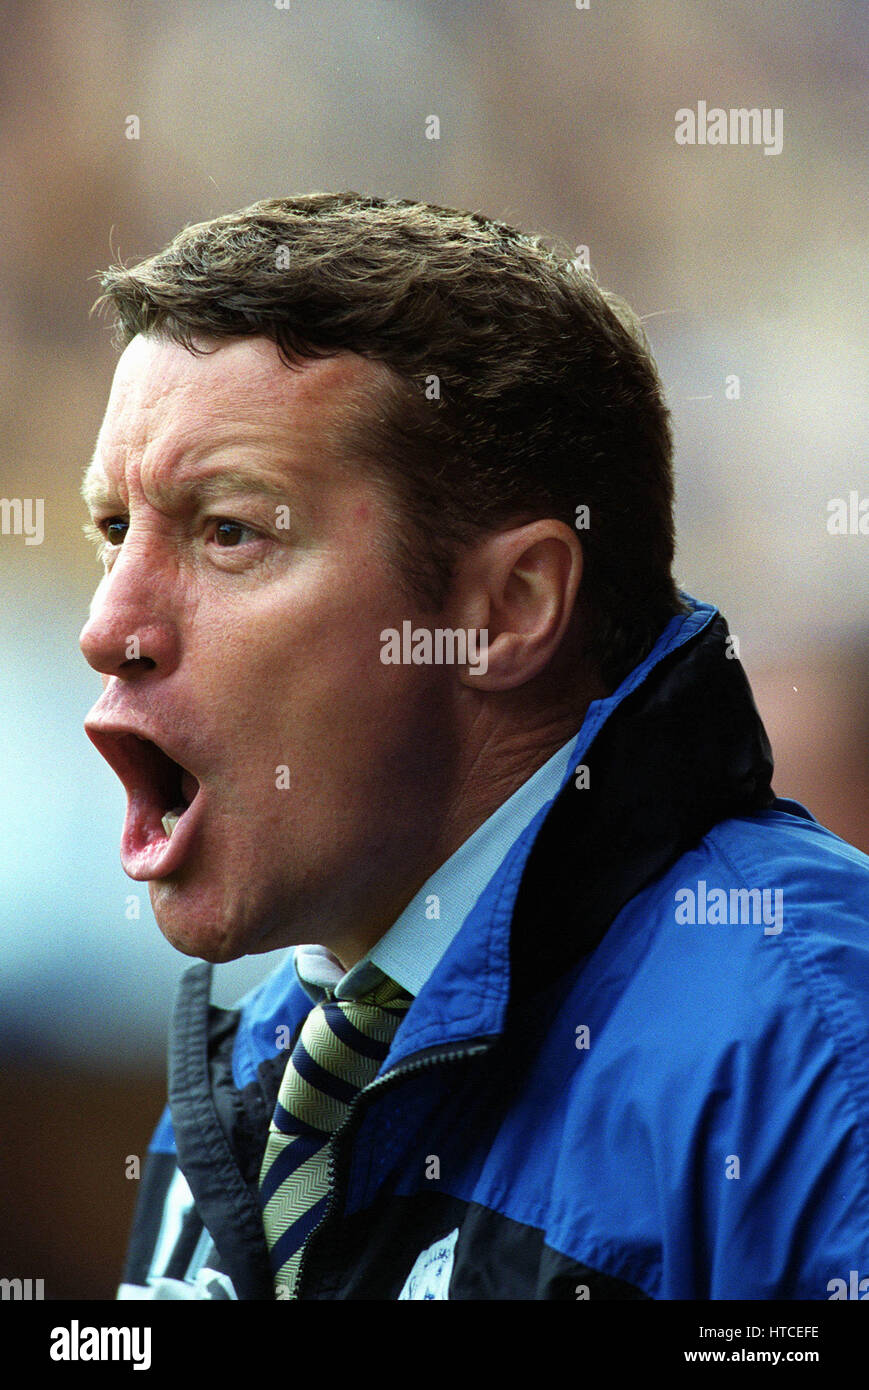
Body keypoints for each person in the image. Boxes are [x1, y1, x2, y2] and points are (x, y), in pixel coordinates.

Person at [79, 193, 869, 1301]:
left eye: (228, 530)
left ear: (504, 610)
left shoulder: (813, 1044)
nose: (108, 626)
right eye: (115, 530)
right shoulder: (249, 1077)